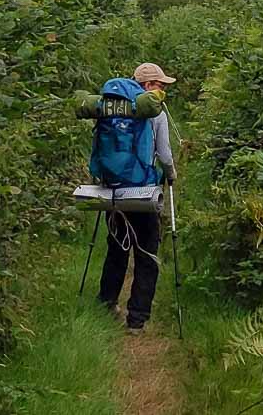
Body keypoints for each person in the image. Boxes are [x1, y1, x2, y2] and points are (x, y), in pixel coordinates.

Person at [98, 62, 177, 330]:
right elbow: (164, 155)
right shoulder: (153, 112)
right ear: (148, 86)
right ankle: (137, 319)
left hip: (115, 190)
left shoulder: (112, 108)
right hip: (143, 192)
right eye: (160, 85)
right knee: (146, 255)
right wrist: (171, 175)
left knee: (117, 249)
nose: (163, 89)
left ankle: (107, 304)